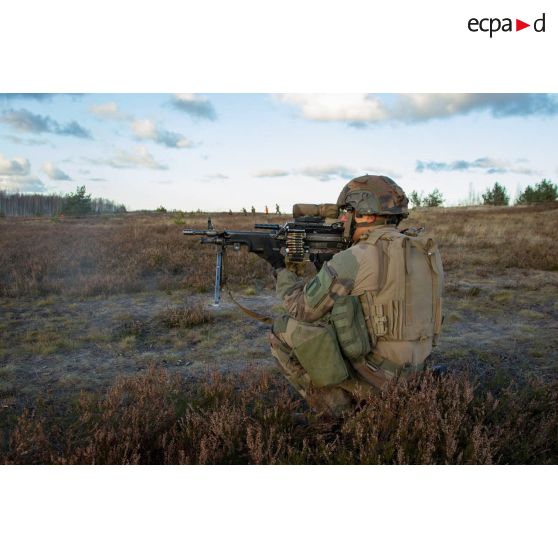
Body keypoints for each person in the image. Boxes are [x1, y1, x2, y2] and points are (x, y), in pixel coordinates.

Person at [261, 175, 444, 416]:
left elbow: (301, 308)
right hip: (417, 368)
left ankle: (340, 413)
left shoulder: (357, 256)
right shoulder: (423, 249)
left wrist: (280, 267)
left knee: (283, 330)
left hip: (380, 376)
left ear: (365, 215)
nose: (342, 219)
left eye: (347, 212)